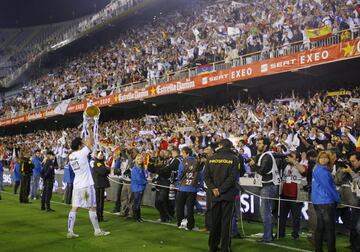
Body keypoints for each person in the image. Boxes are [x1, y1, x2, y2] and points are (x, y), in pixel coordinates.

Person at [67, 135, 110, 238]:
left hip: (77, 185)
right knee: (92, 208)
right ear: (79, 145)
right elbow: (90, 141)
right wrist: (90, 126)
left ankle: (70, 231)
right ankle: (97, 230)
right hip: (86, 185)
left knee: (75, 208)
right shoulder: (82, 153)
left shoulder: (71, 156)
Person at [205, 139, 240, 252]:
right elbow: (232, 178)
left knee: (214, 221)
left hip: (214, 195)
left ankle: (213, 246)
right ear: (230, 147)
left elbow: (206, 177)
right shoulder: (234, 158)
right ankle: (225, 247)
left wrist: (214, 189)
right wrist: (221, 189)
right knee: (226, 223)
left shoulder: (210, 158)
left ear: (220, 146)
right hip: (228, 194)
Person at [249, 137, 281, 243]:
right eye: (257, 143)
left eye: (260, 143)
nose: (257, 144)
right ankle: (268, 235)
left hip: (269, 186)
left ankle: (267, 237)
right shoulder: (265, 155)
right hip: (268, 185)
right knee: (266, 212)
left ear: (265, 145)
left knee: (265, 212)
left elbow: (262, 170)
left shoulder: (267, 156)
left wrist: (254, 165)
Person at [311, 151, 340, 252]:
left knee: (321, 227)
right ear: (318, 159)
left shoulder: (316, 169)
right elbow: (329, 188)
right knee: (329, 229)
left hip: (318, 202)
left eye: (325, 158)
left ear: (329, 159)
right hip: (326, 202)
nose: (323, 159)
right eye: (321, 158)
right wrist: (337, 198)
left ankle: (318, 249)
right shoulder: (323, 171)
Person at [278, 151, 307, 240]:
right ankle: (280, 233)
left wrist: (294, 162)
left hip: (296, 196)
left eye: (292, 156)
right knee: (282, 216)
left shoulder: (302, 166)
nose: (289, 157)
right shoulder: (285, 166)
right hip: (284, 194)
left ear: (297, 158)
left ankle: (295, 234)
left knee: (296, 217)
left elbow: (303, 171)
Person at [147, 149, 181, 222]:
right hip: (159, 185)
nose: (162, 153)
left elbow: (165, 171)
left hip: (166, 185)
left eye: (165, 152)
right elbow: (151, 170)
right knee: (158, 203)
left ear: (169, 155)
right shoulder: (161, 163)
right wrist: (151, 162)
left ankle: (167, 216)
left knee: (161, 202)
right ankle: (164, 217)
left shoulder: (171, 163)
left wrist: (158, 171)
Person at [176, 146, 201, 231]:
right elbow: (200, 175)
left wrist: (179, 181)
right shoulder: (197, 162)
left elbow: (179, 174)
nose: (182, 155)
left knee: (180, 207)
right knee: (190, 208)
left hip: (183, 187)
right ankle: (190, 225)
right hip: (192, 188)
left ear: (187, 153)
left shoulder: (183, 162)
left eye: (183, 153)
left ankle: (180, 223)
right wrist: (199, 185)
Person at [92, 150, 111, 222]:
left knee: (101, 201)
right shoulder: (97, 163)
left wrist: (106, 168)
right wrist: (106, 168)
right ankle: (98, 217)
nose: (101, 156)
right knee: (99, 201)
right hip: (98, 184)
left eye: (102, 155)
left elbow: (108, 170)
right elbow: (103, 171)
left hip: (101, 184)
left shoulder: (102, 162)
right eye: (100, 155)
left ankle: (101, 216)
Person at [131, 154, 147, 222]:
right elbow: (138, 178)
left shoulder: (141, 167)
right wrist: (145, 182)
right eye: (139, 159)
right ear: (136, 160)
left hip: (140, 187)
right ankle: (136, 217)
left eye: (141, 159)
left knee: (138, 203)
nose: (140, 160)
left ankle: (138, 217)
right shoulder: (135, 168)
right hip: (137, 188)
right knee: (136, 203)